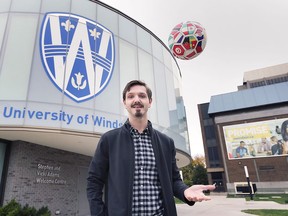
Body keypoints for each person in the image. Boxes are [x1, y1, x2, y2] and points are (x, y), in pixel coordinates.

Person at [87, 80, 215, 216]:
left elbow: (174, 180)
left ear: (150, 102)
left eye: (142, 96)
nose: (136, 99)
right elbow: (94, 181)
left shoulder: (166, 143)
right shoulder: (109, 140)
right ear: (124, 103)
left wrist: (185, 191)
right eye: (131, 96)